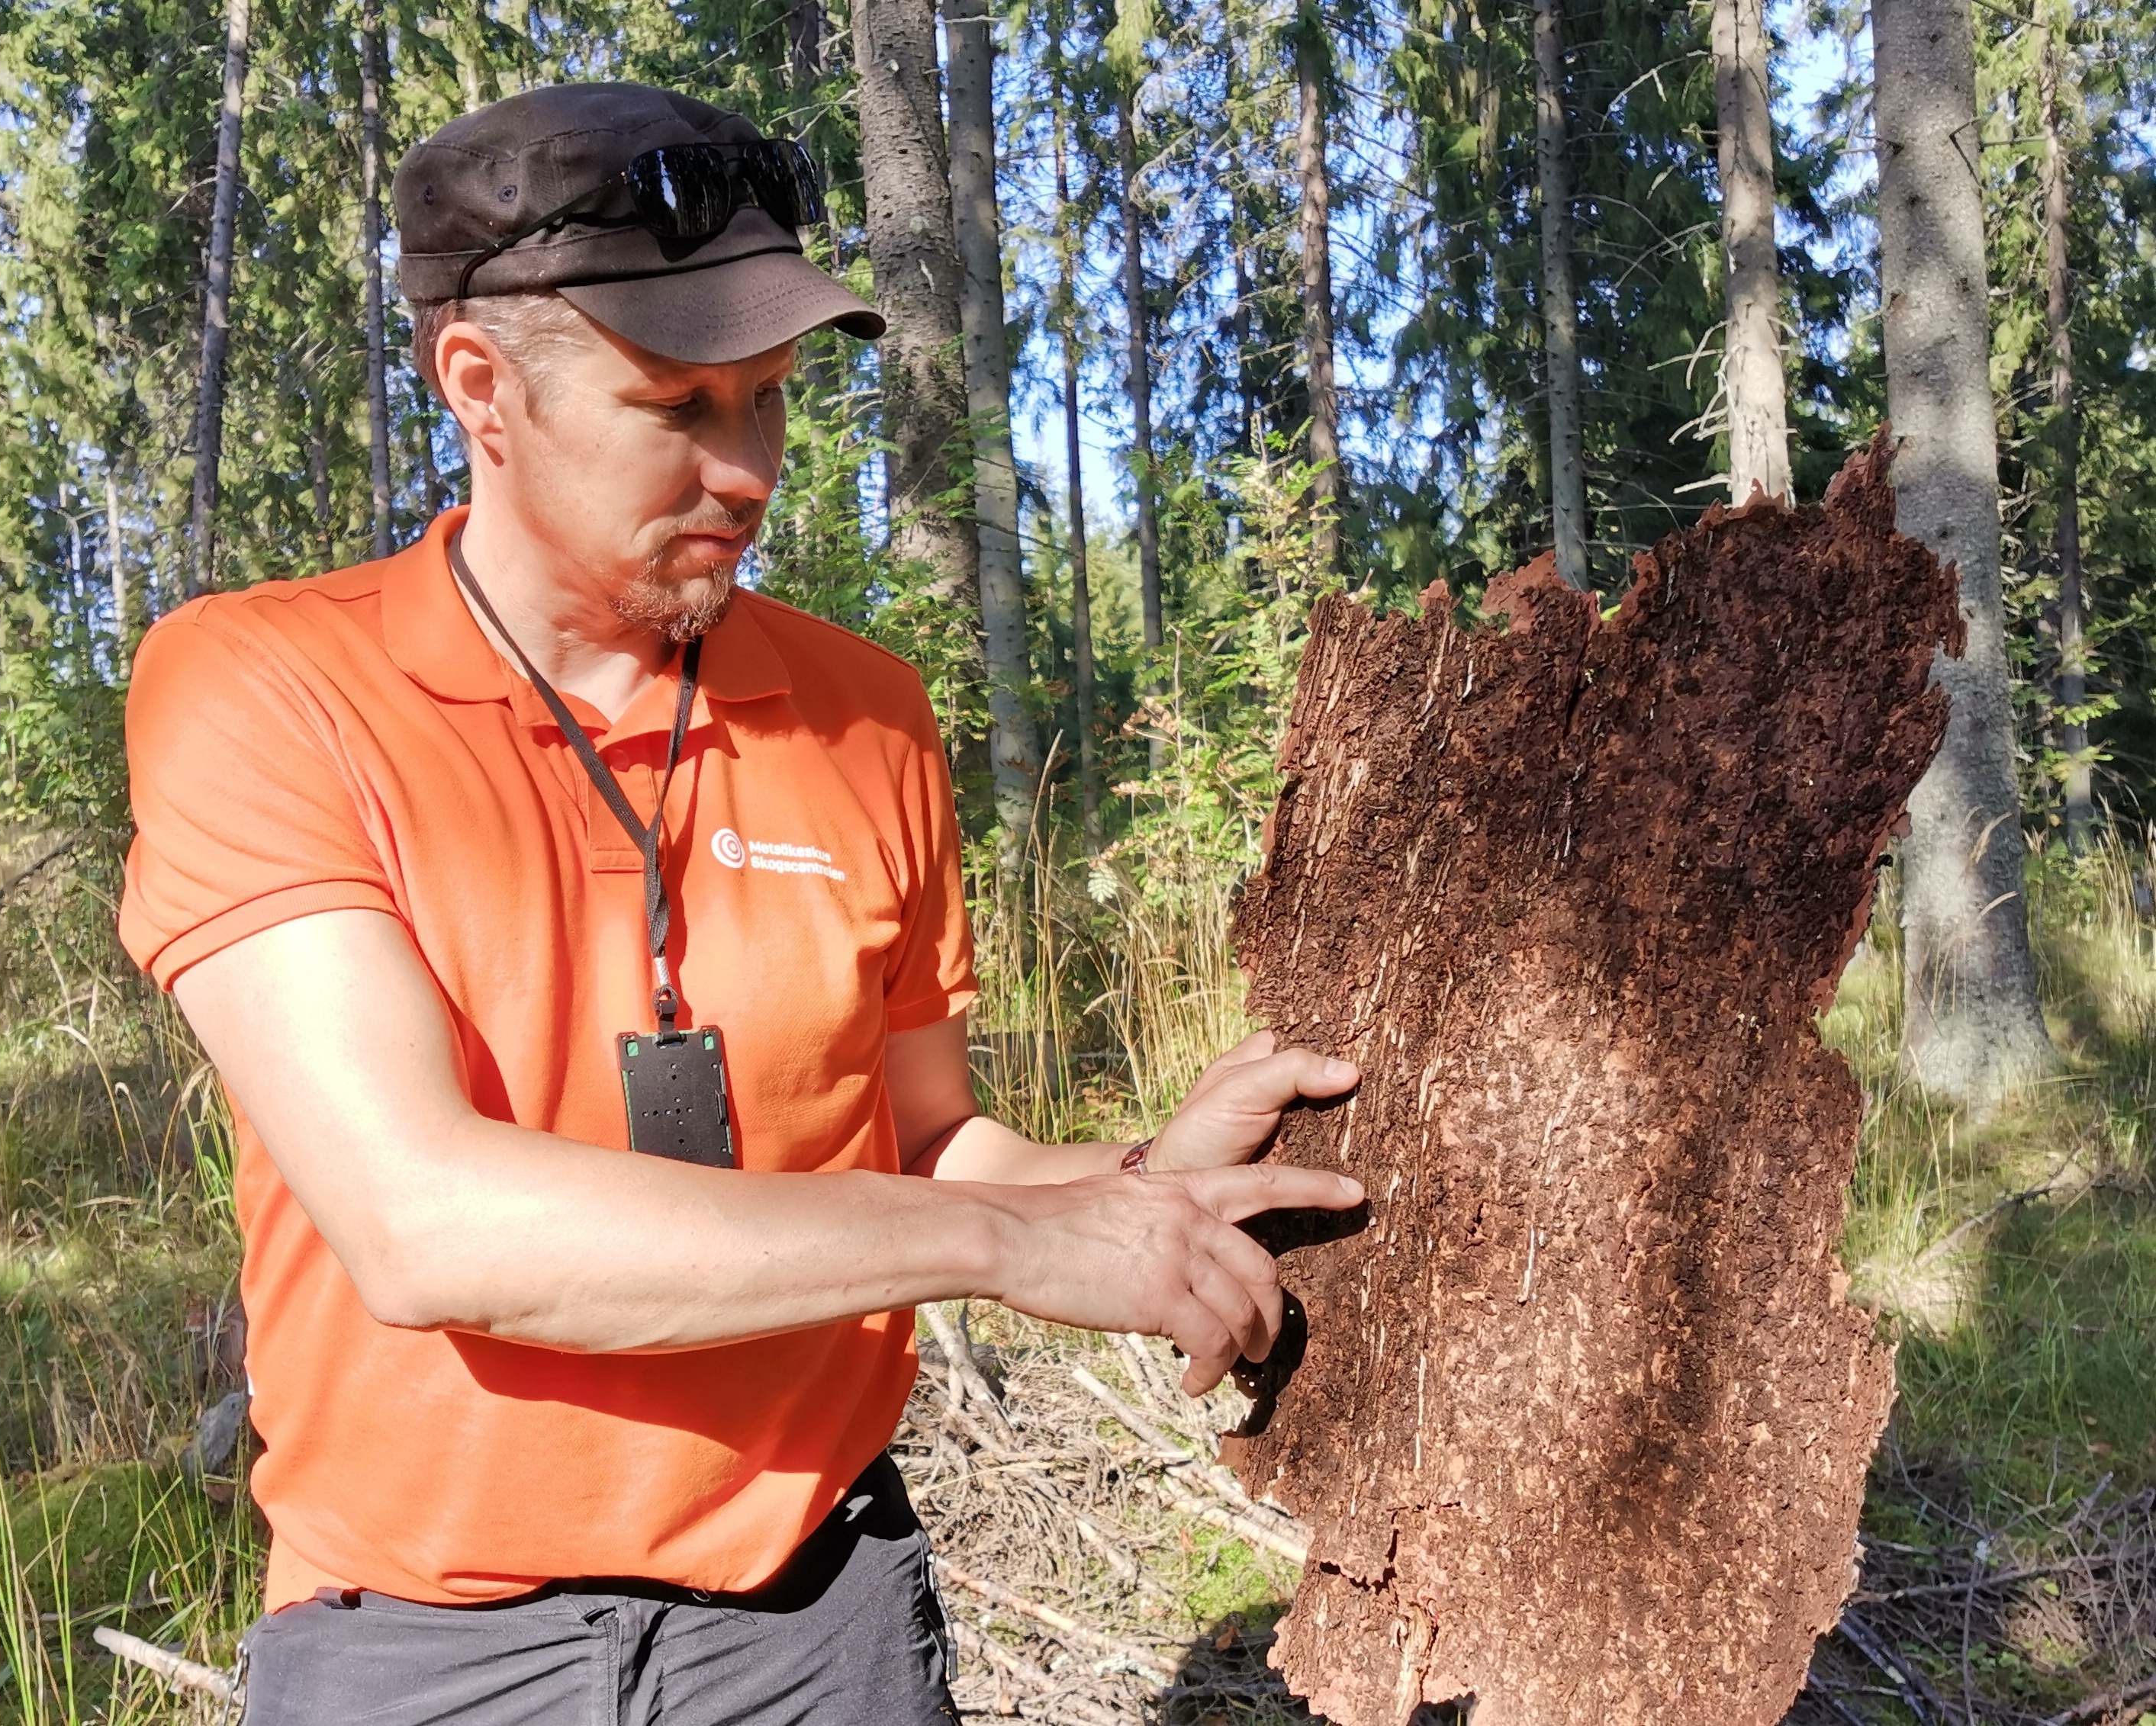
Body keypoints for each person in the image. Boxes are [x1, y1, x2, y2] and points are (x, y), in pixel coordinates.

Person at [119, 82, 1362, 1725]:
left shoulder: (861, 712)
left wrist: (1134, 1184)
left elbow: (921, 1144)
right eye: (681, 404)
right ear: (478, 386)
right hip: (425, 1644)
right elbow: (424, 1225)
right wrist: (1010, 1242)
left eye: (770, 399)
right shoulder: (269, 685)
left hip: (813, 1619)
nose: (747, 468)